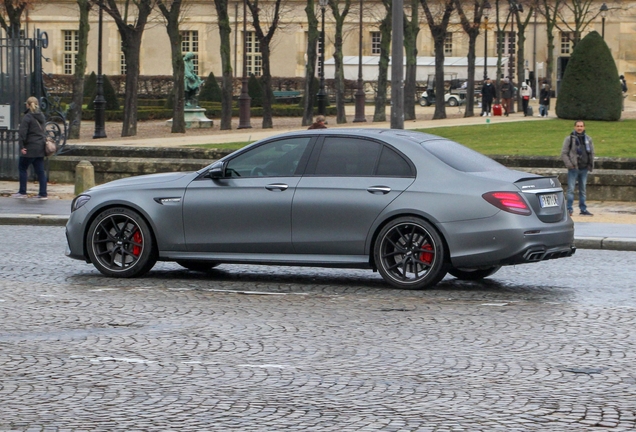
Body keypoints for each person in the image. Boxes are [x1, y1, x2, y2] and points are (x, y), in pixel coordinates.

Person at [12, 97, 48, 200]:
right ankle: (43, 193)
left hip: (30, 147)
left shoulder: (27, 117)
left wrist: (22, 146)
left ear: (27, 105)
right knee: (40, 171)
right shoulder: (41, 116)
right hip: (40, 147)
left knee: (22, 168)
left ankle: (22, 191)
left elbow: (22, 133)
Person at [561, 120, 595, 217]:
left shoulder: (588, 139)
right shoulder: (569, 139)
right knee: (571, 189)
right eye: (578, 126)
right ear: (575, 127)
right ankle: (569, 209)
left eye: (581, 126)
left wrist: (590, 164)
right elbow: (564, 153)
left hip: (584, 168)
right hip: (573, 168)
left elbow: (592, 152)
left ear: (584, 127)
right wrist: (570, 165)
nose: (579, 128)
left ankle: (583, 209)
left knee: (583, 190)